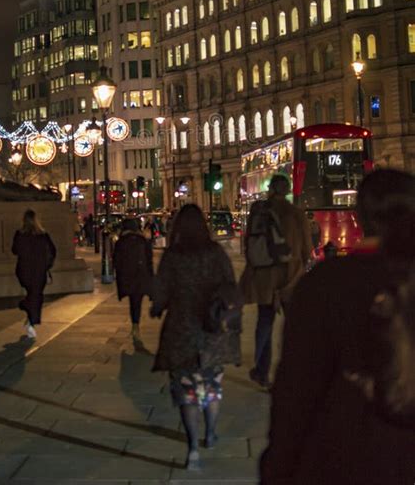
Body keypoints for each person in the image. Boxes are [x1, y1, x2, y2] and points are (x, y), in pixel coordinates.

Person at [260, 168, 415, 485]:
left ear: (358, 218)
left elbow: (295, 392)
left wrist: (276, 470)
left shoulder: (324, 284)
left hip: (344, 455)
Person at [151, 204, 241, 470]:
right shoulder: (216, 253)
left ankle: (191, 449)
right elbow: (230, 284)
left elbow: (160, 292)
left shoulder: (173, 256)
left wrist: (157, 307)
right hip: (212, 330)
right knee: (211, 387)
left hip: (182, 332)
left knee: (186, 392)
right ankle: (210, 432)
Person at [239, 173, 312, 390]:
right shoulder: (296, 214)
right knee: (294, 325)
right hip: (290, 275)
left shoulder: (259, 212)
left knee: (265, 322)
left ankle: (262, 372)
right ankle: (296, 371)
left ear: (270, 189)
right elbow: (307, 249)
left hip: (265, 277)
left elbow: (248, 246)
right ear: (287, 190)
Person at [12, 209, 57, 339]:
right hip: (39, 270)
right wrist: (47, 265)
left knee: (33, 295)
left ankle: (29, 315)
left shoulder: (19, 235)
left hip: (24, 270)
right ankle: (31, 320)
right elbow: (53, 251)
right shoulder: (43, 236)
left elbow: (14, 250)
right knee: (37, 296)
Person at [113, 218, 153, 344]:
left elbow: (116, 261)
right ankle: (136, 325)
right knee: (137, 301)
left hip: (127, 276)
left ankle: (135, 325)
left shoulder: (121, 242)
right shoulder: (143, 241)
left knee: (133, 301)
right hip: (141, 275)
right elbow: (149, 260)